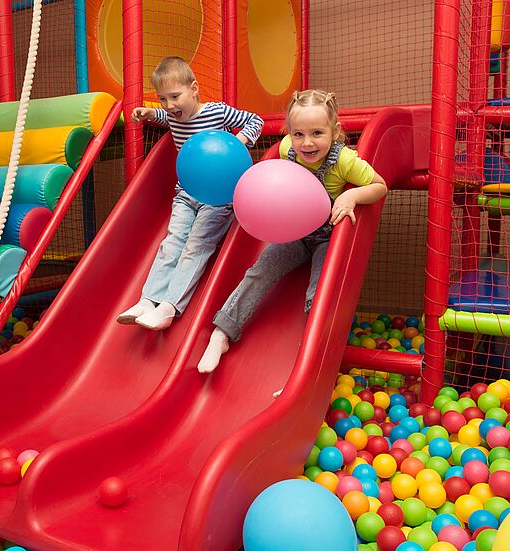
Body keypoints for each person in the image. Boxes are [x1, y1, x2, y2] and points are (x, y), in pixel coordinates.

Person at [197, 89, 388, 377]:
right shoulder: (287, 150)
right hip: (295, 233)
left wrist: (352, 196)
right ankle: (222, 332)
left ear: (334, 132)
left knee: (317, 294)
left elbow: (380, 185)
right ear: (289, 132)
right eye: (298, 134)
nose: (307, 142)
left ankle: (312, 356)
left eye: (317, 133)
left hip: (327, 235)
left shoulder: (344, 160)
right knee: (259, 271)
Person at [116, 56, 264, 330]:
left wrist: (237, 141)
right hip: (185, 193)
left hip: (218, 198)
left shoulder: (217, 112)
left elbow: (255, 120)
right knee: (171, 243)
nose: (169, 105)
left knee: (195, 246)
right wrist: (151, 113)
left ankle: (170, 307)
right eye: (162, 99)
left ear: (193, 88)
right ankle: (149, 300)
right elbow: (168, 117)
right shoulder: (173, 116)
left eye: (175, 96)